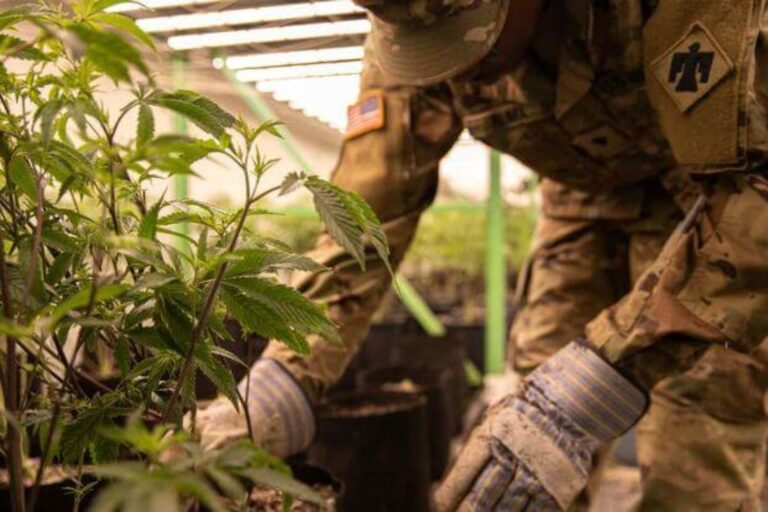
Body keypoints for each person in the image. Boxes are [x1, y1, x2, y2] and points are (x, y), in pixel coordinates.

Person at [195, 0, 768, 509]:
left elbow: (757, 208)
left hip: (722, 198)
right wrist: (280, 383)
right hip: (582, 199)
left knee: (695, 431)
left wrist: (586, 393)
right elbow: (366, 225)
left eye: (468, 31)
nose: (455, 69)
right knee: (529, 426)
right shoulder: (408, 32)